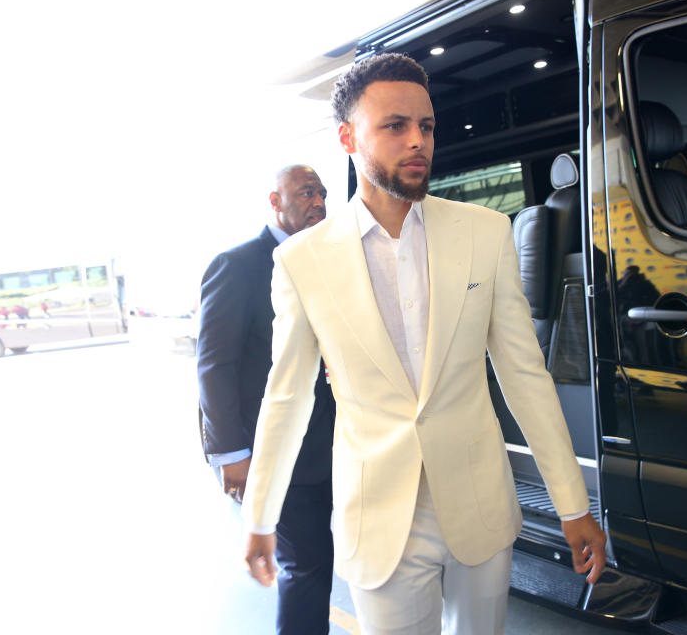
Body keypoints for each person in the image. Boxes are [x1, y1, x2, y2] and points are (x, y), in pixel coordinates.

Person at [241, 53, 606, 635]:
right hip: (377, 517)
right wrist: (260, 515)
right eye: (395, 126)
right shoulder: (301, 261)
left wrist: (573, 502)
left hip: (479, 504)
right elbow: (287, 397)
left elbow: (523, 374)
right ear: (347, 137)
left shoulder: (485, 232)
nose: (418, 142)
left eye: (427, 126)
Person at [197, 165, 335, 635]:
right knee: (308, 569)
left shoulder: (329, 259)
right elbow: (214, 365)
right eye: (304, 193)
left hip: (337, 445)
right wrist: (231, 454)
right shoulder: (237, 266)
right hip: (278, 452)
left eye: (321, 192)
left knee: (337, 560)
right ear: (275, 201)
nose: (317, 201)